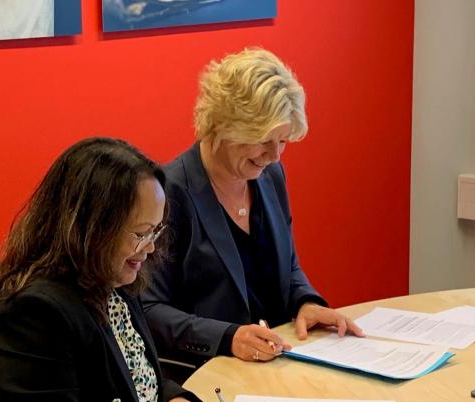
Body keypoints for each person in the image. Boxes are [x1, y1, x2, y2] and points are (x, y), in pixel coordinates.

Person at [141, 48, 364, 371]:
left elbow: (288, 267)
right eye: (263, 140)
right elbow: (147, 308)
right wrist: (227, 337)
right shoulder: (170, 192)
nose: (275, 155)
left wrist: (307, 301)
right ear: (223, 126)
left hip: (276, 363)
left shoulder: (270, 176)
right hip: (205, 372)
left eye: (283, 141)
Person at [0, 137, 199, 402]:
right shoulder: (33, 314)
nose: (150, 248)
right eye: (141, 233)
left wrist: (174, 398)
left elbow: (139, 378)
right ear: (90, 230)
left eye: (155, 231)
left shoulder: (116, 281)